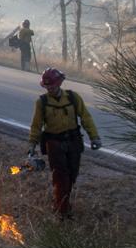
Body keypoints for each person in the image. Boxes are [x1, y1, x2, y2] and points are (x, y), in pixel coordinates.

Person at [27, 68, 101, 218]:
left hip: (73, 141)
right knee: (61, 177)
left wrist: (94, 137)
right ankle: (62, 210)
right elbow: (36, 125)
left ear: (59, 83)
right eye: (47, 86)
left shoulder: (73, 98)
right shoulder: (42, 102)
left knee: (72, 175)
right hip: (54, 143)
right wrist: (31, 145)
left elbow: (86, 118)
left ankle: (62, 202)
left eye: (52, 85)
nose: (50, 88)